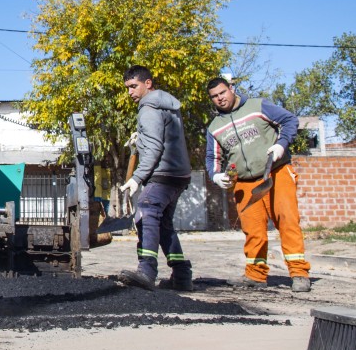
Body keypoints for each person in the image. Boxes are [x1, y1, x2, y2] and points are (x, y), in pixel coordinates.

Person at [205, 77, 310, 292]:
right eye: (214, 97)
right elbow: (211, 158)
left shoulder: (258, 106)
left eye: (222, 93)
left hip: (276, 172)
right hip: (244, 182)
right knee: (253, 231)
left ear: (231, 89)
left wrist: (281, 145)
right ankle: (255, 275)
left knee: (287, 221)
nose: (220, 98)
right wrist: (216, 175)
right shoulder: (215, 127)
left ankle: (299, 273)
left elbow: (290, 120)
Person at [117, 65, 194, 292]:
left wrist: (137, 178)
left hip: (162, 174)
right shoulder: (168, 105)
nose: (130, 92)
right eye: (128, 88)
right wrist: (140, 137)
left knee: (146, 213)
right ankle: (182, 275)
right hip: (179, 173)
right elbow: (162, 137)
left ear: (148, 83)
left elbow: (153, 149)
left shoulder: (148, 108)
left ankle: (147, 271)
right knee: (163, 224)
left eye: (134, 86)